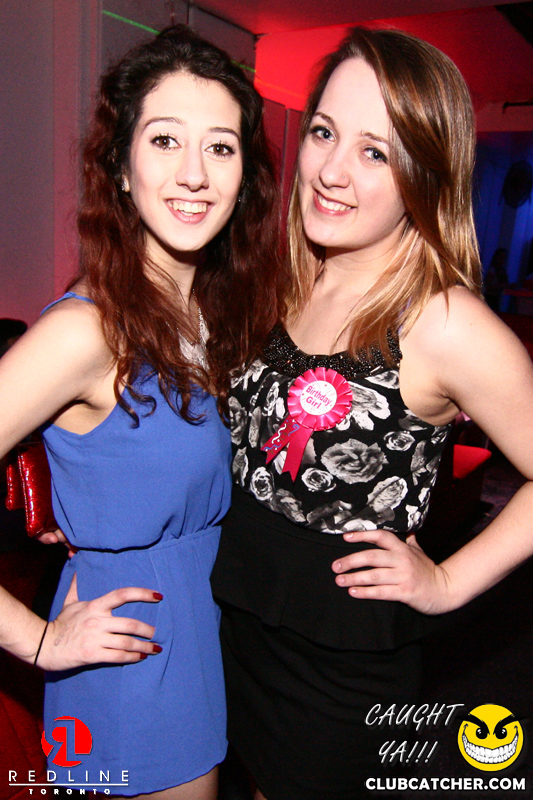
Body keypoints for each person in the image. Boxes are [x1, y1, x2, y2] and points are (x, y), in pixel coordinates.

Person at [211, 26, 533, 800]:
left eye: (375, 152)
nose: (330, 170)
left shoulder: (444, 323)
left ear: (424, 173)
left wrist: (447, 582)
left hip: (335, 674)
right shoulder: (292, 277)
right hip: (230, 622)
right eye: (324, 132)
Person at [0, 25, 279, 800]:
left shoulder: (212, 317)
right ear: (120, 168)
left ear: (244, 178)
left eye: (220, 147)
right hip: (136, 654)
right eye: (164, 140)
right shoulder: (86, 331)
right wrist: (38, 640)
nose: (193, 173)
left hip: (208, 630)